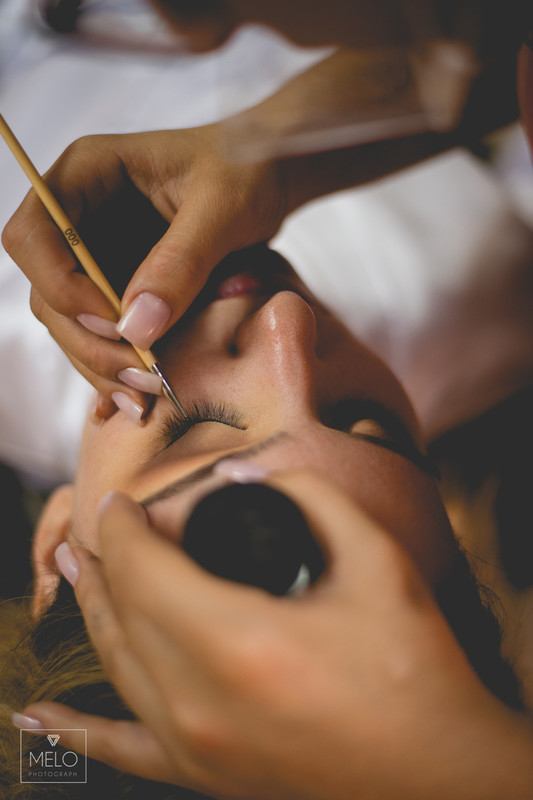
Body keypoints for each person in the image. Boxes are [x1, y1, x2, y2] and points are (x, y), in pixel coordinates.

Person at [2, 247, 533, 799]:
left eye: (190, 428)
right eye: (367, 426)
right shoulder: (493, 303)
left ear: (55, 548)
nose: (287, 317)